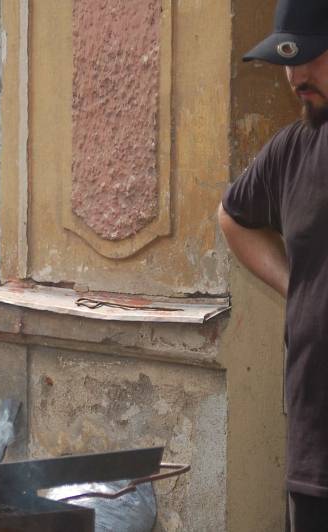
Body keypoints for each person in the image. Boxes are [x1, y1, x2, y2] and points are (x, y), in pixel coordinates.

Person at [218, 0, 328, 529]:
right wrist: (297, 286)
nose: (297, 76)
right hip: (316, 455)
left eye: (311, 57)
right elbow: (232, 216)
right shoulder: (293, 151)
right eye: (288, 60)